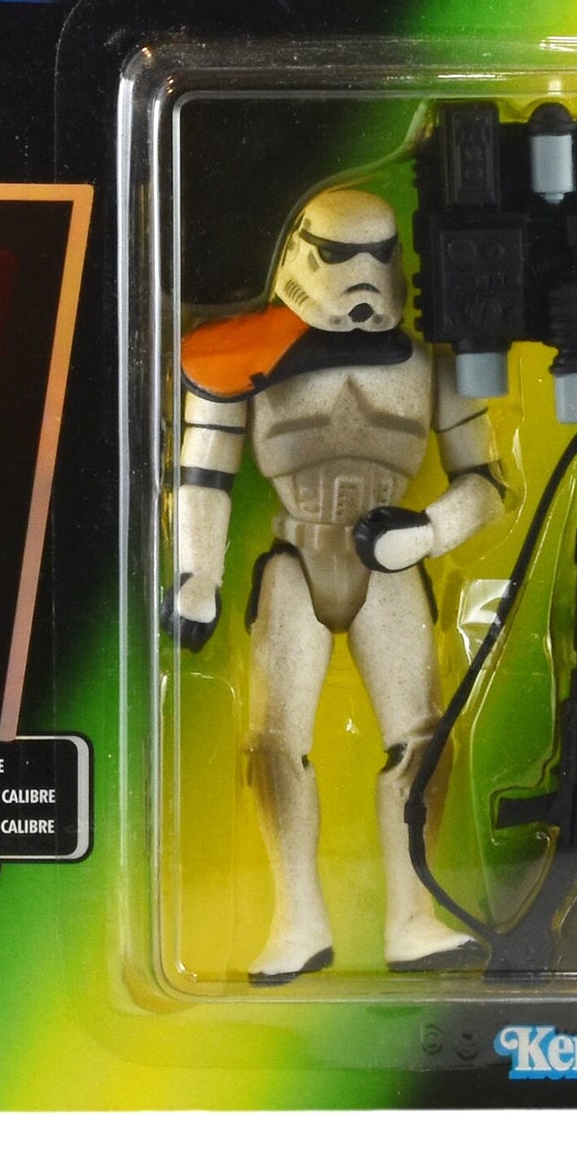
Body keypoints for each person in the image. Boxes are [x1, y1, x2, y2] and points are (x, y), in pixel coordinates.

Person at [166, 188, 500, 980]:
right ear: (298, 254)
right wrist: (196, 576)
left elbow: (486, 484)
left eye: (377, 255)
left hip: (391, 562)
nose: (359, 277)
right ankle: (296, 923)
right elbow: (201, 474)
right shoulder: (241, 356)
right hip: (298, 553)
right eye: (338, 256)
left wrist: (430, 532)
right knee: (274, 741)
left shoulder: (433, 365)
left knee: (422, 738)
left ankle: (413, 919)